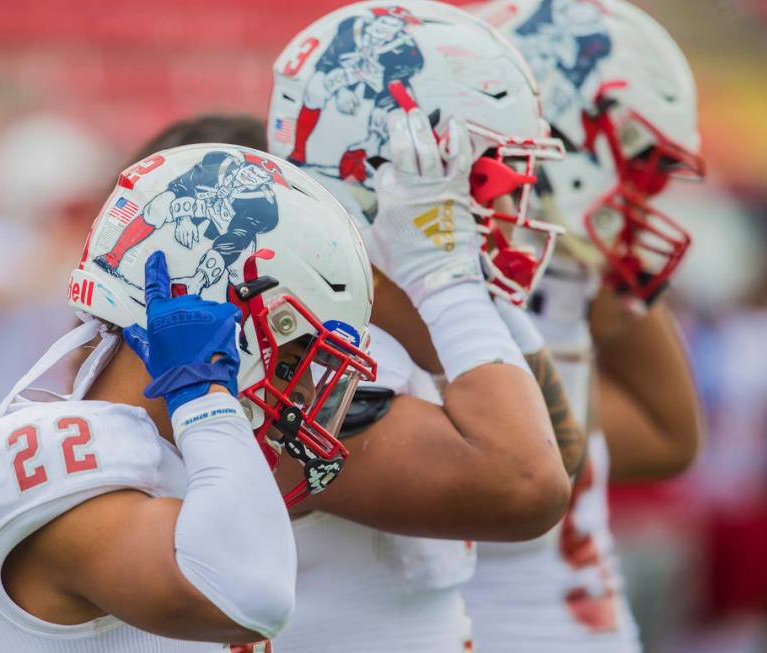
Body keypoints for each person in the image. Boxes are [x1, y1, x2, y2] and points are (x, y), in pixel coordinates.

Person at [0, 143, 377, 651]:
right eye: (294, 354)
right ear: (220, 316)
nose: (301, 389)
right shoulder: (46, 445)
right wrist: (205, 398)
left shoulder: (185, 457)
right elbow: (249, 597)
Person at [267, 2, 577, 650]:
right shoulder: (298, 339)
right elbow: (529, 485)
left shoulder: (413, 332)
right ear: (386, 174)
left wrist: (470, 296)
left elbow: (564, 455)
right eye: (488, 179)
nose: (513, 209)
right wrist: (445, 274)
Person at [459, 1, 707, 650]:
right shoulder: (445, 294)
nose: (642, 197)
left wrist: (599, 274)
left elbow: (666, 437)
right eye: (630, 165)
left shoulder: (564, 278)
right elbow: (519, 475)